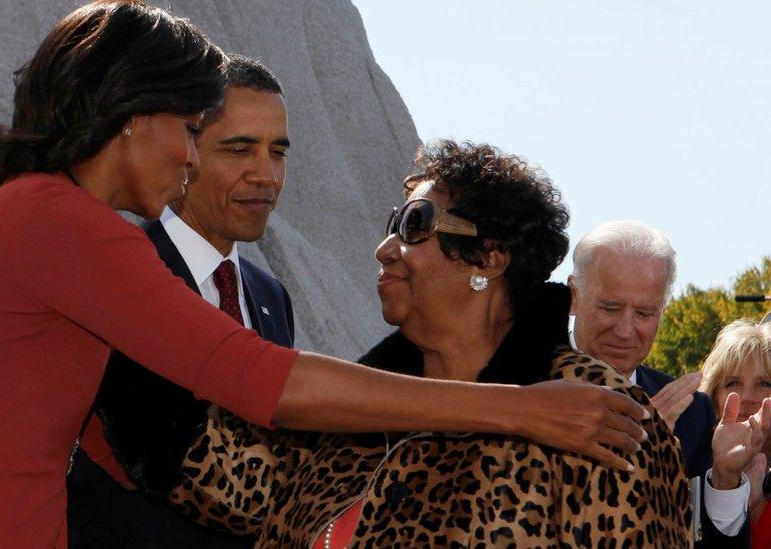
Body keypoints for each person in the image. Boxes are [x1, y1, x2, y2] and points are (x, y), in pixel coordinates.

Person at [0, 3, 651, 547]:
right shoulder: (58, 223)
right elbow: (263, 382)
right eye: (191, 125)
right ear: (134, 120)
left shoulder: (53, 223)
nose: (191, 156)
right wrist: (518, 410)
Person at [131, 140, 693, 546]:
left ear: (489, 259)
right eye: (393, 223)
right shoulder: (343, 422)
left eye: (416, 226)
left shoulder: (595, 414)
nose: (384, 248)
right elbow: (198, 465)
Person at [66, 54, 293, 548]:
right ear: (187, 150)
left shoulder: (272, 297)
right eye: (239, 150)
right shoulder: (120, 270)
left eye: (277, 152)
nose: (266, 175)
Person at [569, 220, 760, 545]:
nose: (626, 330)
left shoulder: (691, 412)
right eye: (610, 307)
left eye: (644, 313)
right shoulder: (518, 386)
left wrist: (725, 479)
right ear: (573, 295)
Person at [699, 319, 771, 547]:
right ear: (713, 396)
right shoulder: (688, 471)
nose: (747, 397)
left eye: (765, 384)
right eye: (733, 383)